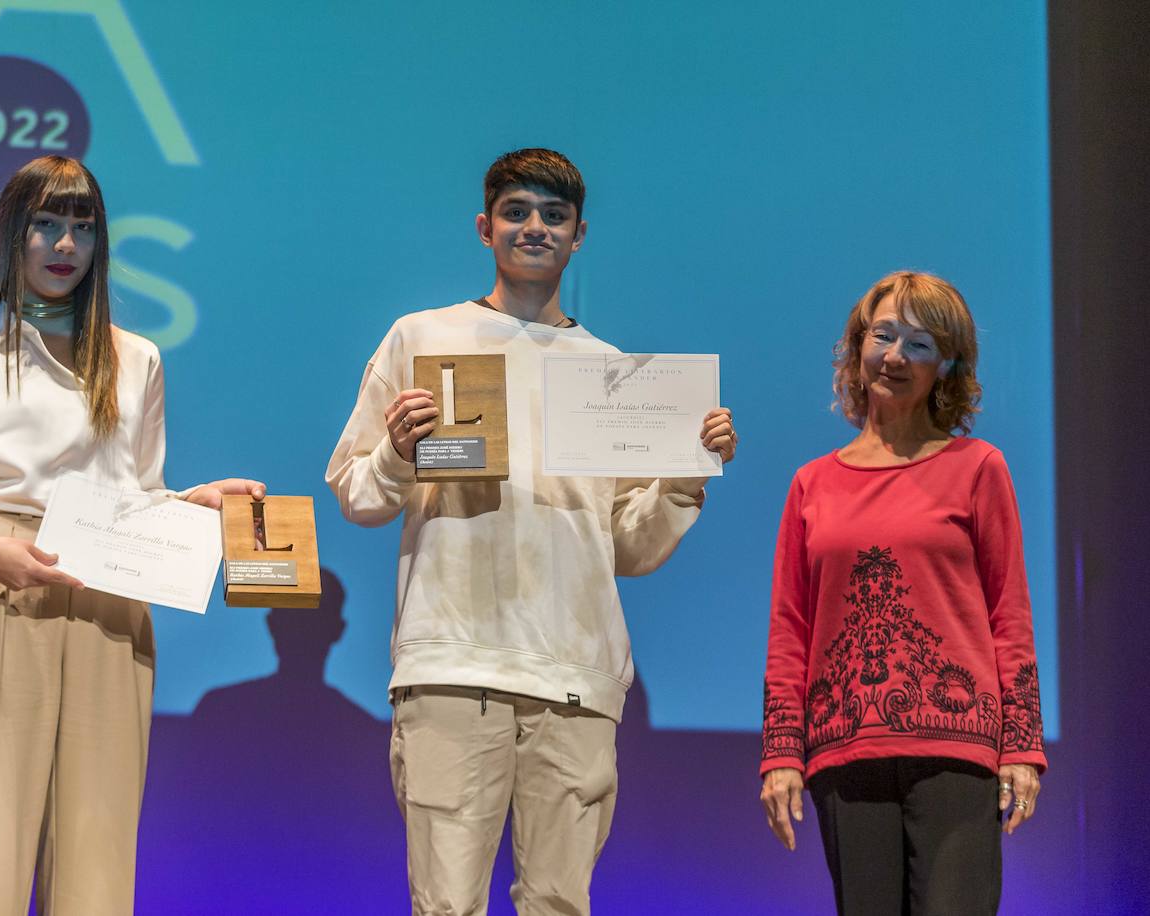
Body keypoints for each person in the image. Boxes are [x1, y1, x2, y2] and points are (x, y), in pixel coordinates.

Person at [326, 148, 737, 914]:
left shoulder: (611, 372)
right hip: (453, 662)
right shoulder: (421, 336)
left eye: (554, 216)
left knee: (559, 904)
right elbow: (357, 494)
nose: (535, 228)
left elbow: (627, 549)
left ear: (580, 235)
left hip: (575, 677)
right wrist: (398, 451)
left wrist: (686, 475)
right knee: (447, 906)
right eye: (517, 212)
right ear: (485, 227)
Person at [0, 155, 264, 915]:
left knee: (96, 862)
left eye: (82, 228)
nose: (65, 245)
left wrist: (193, 502)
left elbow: (140, 494)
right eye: (47, 225)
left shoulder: (137, 359)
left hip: (108, 602)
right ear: (11, 235)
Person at [758, 271, 1047, 915]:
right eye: (882, 336)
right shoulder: (812, 484)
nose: (894, 356)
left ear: (946, 365)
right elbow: (790, 629)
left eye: (918, 344)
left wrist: (1022, 745)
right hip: (844, 747)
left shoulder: (978, 468)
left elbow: (1010, 614)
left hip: (957, 746)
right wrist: (781, 752)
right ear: (857, 350)